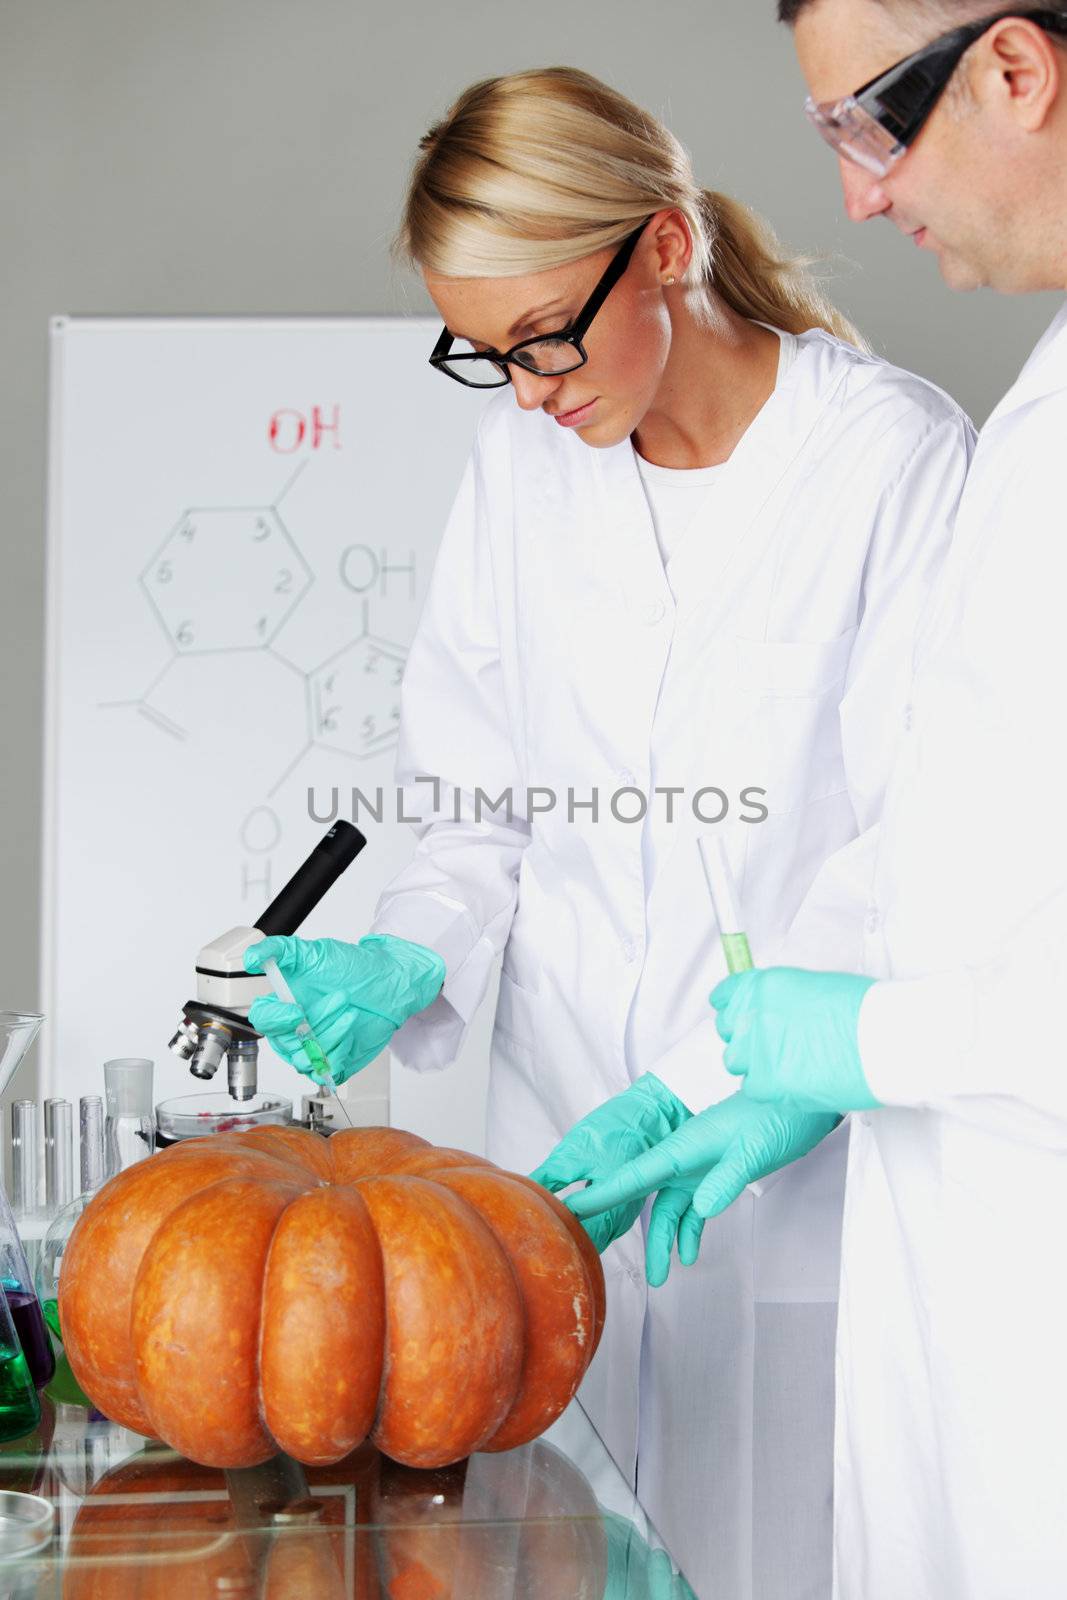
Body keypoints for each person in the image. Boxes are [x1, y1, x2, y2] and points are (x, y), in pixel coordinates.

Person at [244, 66, 972, 1599]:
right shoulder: (520, 472)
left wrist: (707, 1083)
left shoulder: (886, 460)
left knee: (782, 1553)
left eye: (542, 337)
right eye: (483, 354)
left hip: (776, 1164)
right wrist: (407, 945)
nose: (527, 391)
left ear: (664, 245)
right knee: (551, 1554)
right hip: (548, 1143)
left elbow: (908, 853)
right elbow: (472, 806)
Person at [573, 7, 1067, 1597]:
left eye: (868, 127)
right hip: (963, 1307)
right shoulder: (1041, 421)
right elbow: (938, 826)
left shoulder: (928, 446)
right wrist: (713, 1066)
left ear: (1015, 69)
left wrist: (867, 1045)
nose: (856, 197)